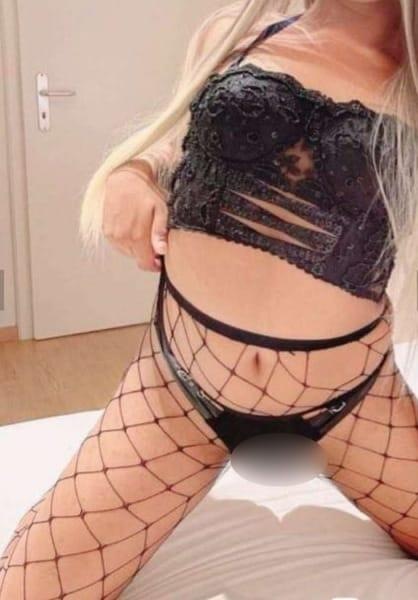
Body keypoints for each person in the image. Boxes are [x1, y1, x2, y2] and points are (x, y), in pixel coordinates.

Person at [2, 0, 418, 597]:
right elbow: (177, 145)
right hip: (179, 391)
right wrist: (133, 173)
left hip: (353, 400)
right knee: (26, 589)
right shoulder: (235, 33)